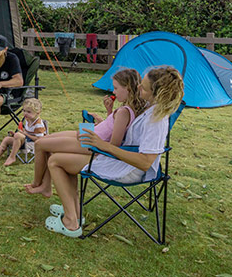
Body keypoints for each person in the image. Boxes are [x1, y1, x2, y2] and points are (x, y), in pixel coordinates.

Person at [42, 66, 183, 238]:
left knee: (55, 161)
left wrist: (104, 145)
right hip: (120, 158)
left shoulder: (156, 121)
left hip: (130, 169)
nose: (138, 87)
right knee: (60, 158)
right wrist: (108, 117)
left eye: (144, 88)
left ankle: (71, 223)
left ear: (157, 94)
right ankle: (74, 211)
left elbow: (145, 162)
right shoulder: (149, 107)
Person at [24, 68, 145, 197]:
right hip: (90, 133)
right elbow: (113, 128)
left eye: (116, 88)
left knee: (40, 144)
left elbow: (114, 144)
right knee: (47, 141)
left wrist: (97, 139)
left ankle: (37, 183)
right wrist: (108, 112)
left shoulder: (124, 112)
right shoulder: (126, 109)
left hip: (91, 142)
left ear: (128, 88)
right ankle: (46, 186)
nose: (113, 91)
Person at [0, 97, 47, 166]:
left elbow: (40, 140)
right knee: (7, 139)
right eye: (24, 110)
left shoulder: (38, 125)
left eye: (28, 112)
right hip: (25, 141)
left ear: (37, 113)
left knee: (18, 135)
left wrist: (24, 134)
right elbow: (27, 132)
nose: (25, 113)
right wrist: (17, 134)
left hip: (33, 144)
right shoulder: (28, 119)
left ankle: (12, 157)